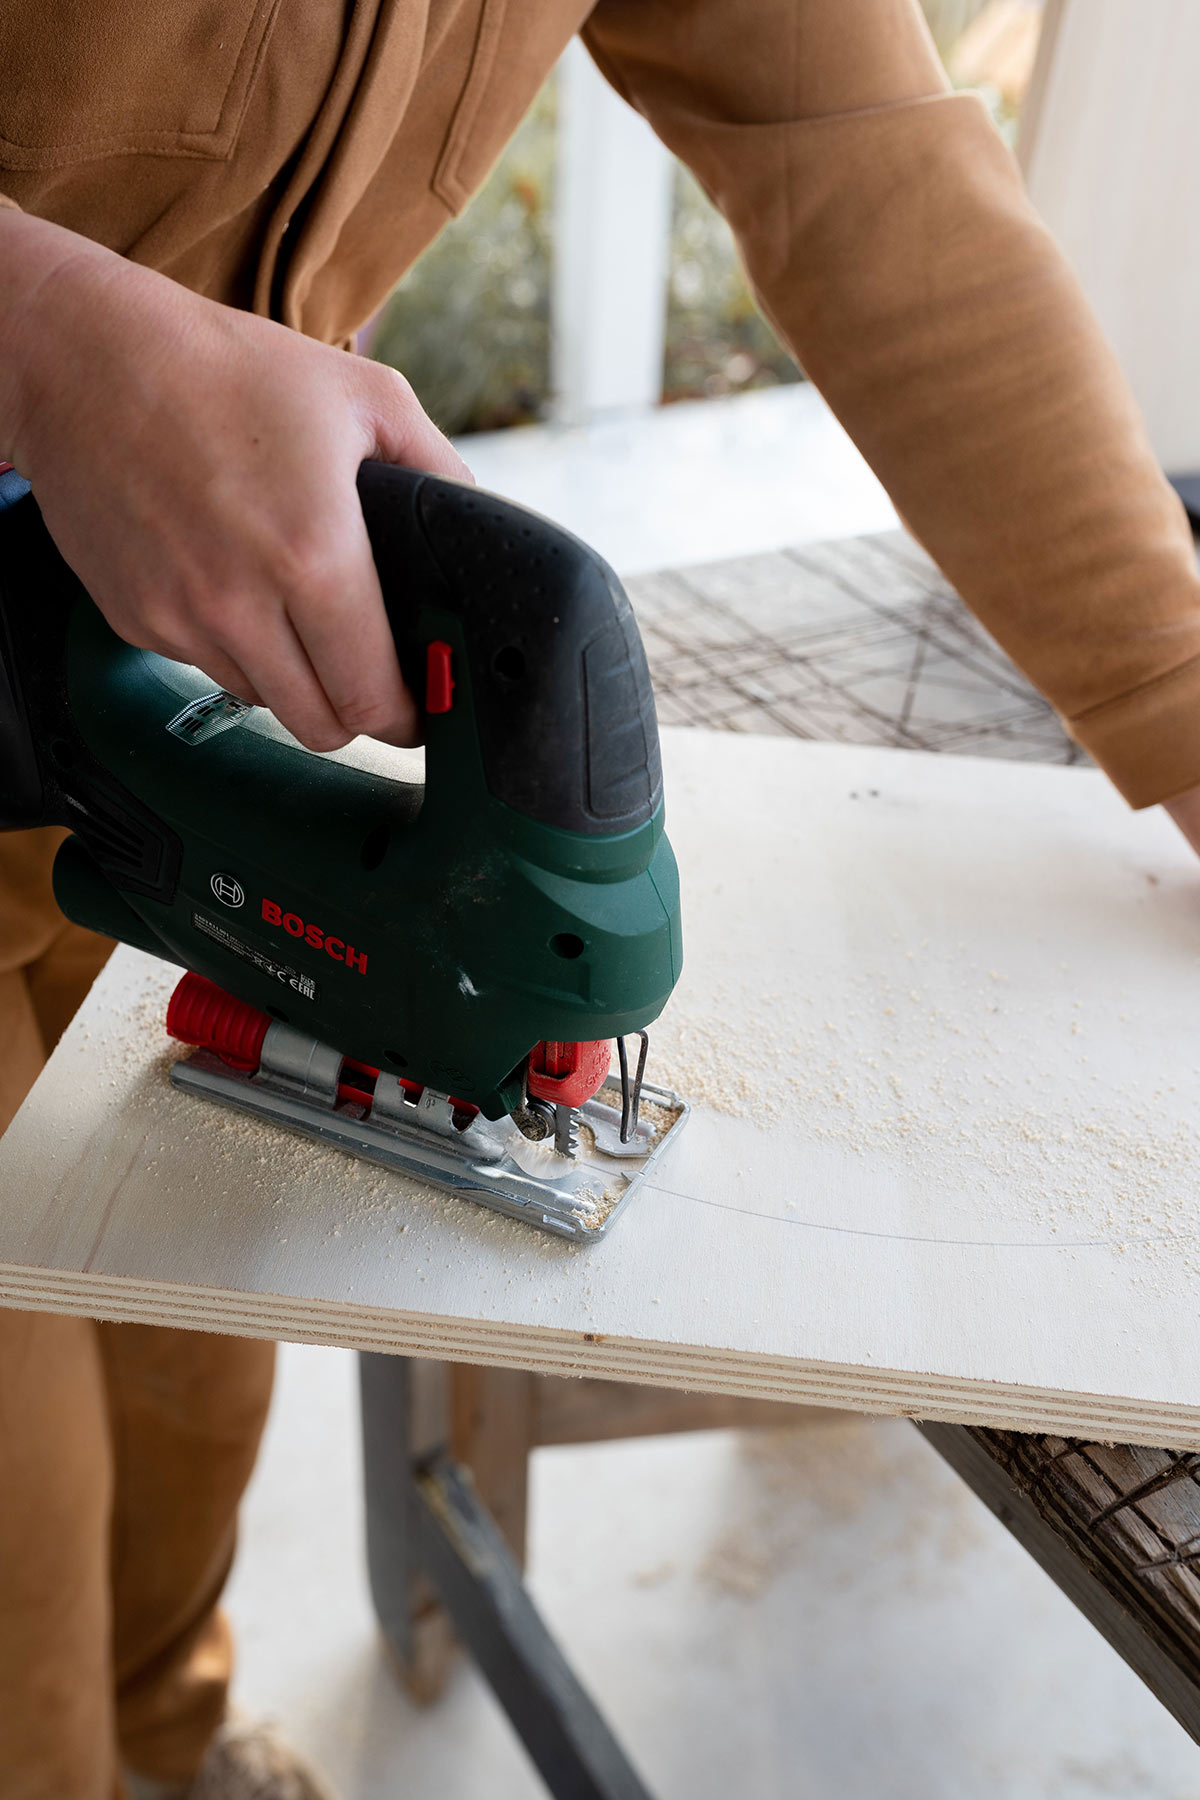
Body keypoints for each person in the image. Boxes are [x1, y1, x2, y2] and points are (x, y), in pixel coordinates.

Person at [4, 1, 1200, 1794]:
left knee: (188, 1363)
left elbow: (862, 153)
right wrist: (42, 332)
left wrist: (1183, 698)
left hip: (155, 635)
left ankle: (166, 1745)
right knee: (19, 1532)